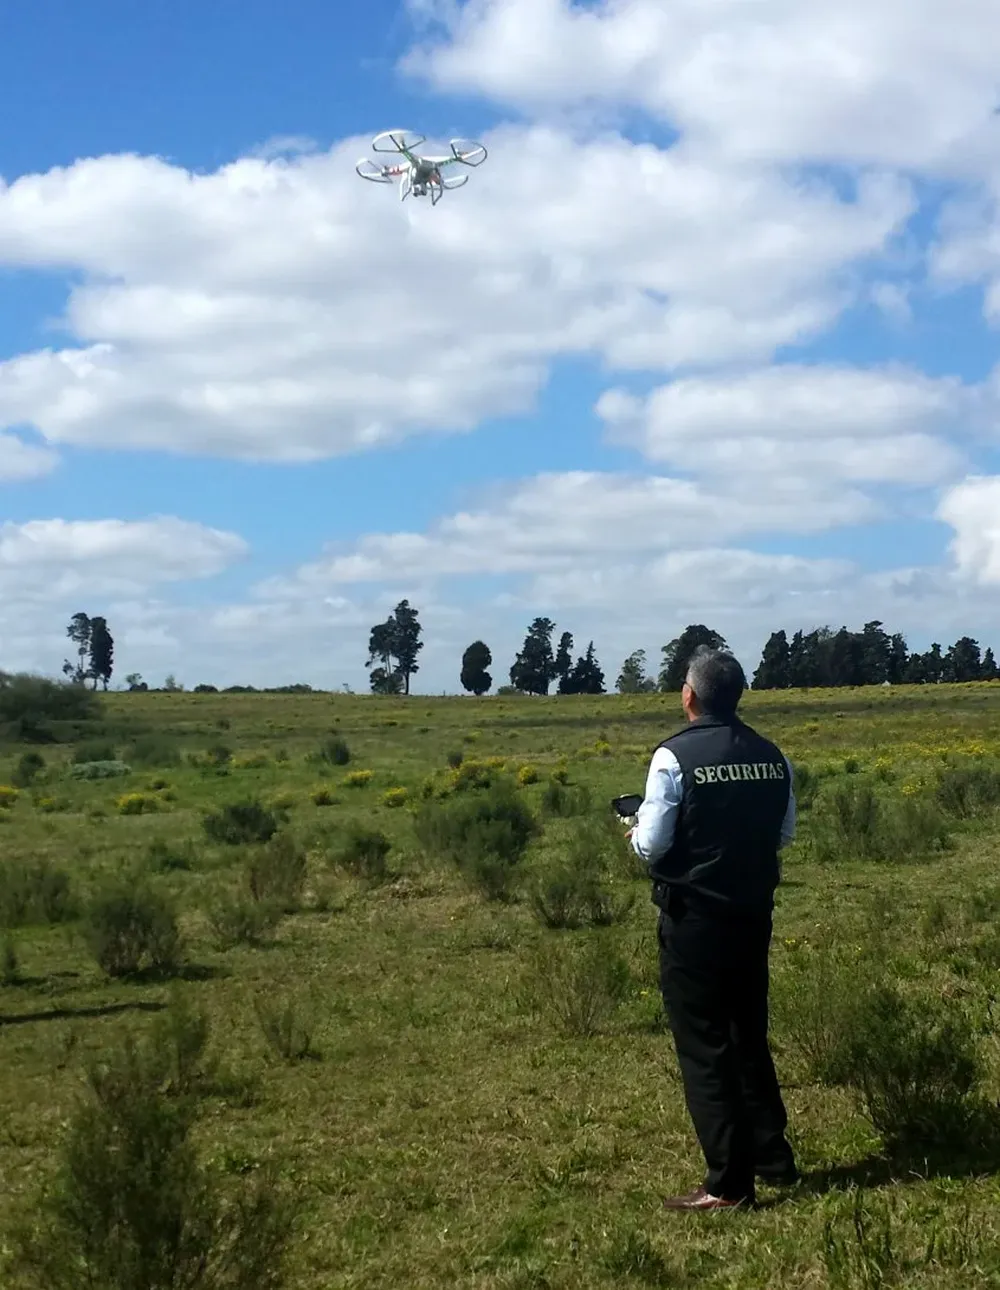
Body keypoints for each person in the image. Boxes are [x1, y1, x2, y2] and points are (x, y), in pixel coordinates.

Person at [630, 645, 798, 1211]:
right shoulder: (772, 755)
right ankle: (773, 1157)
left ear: (689, 696)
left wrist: (632, 833)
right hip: (753, 915)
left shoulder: (672, 758)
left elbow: (653, 844)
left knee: (705, 1046)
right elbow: (783, 834)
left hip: (695, 919)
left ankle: (728, 1183)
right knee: (748, 1034)